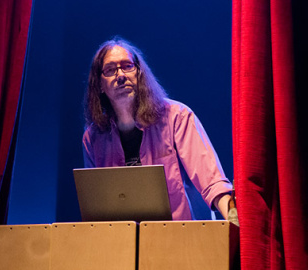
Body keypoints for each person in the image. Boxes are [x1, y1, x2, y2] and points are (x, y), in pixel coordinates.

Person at [82, 37, 233, 220]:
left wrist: (235, 220)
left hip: (180, 238)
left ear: (139, 74)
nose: (120, 75)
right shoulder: (93, 138)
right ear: (100, 84)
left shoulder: (177, 116)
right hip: (123, 244)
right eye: (110, 70)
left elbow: (212, 182)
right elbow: (97, 207)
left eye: (127, 66)